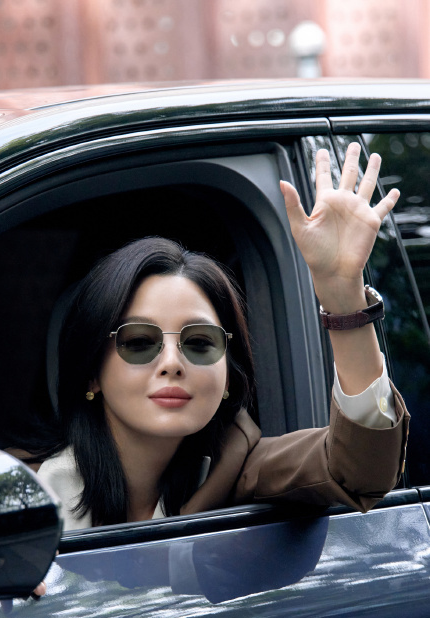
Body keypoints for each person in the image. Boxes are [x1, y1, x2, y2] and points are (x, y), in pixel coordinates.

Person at [29, 143, 408, 551]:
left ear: (228, 377)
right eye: (139, 342)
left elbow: (362, 470)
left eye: (199, 343)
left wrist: (343, 298)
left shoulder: (240, 468)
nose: (172, 363)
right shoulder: (21, 495)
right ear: (92, 373)